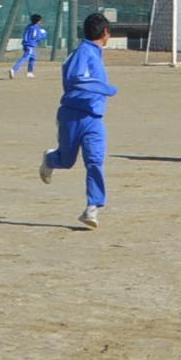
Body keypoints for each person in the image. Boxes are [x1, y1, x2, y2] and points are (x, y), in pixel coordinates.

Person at [38, 13, 117, 229]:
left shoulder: (95, 53)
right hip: (72, 115)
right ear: (106, 33)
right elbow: (76, 79)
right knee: (66, 160)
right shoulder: (83, 52)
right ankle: (50, 160)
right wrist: (104, 89)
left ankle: (92, 207)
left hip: (94, 119)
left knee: (94, 161)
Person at [9, 13, 48, 78]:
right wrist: (42, 35)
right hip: (30, 45)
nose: (41, 22)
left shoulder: (29, 26)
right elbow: (36, 37)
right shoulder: (36, 28)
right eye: (40, 20)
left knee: (33, 58)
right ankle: (14, 69)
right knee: (25, 58)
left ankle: (30, 72)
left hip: (26, 44)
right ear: (38, 21)